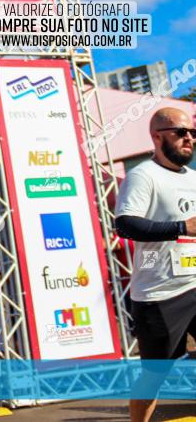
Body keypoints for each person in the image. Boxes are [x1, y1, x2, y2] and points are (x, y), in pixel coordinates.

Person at [115, 107, 196, 422]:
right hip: (160, 294)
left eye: (191, 133)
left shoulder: (194, 178)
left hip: (194, 282)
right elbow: (125, 225)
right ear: (157, 137)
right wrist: (180, 228)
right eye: (180, 132)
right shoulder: (142, 176)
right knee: (154, 377)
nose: (188, 138)